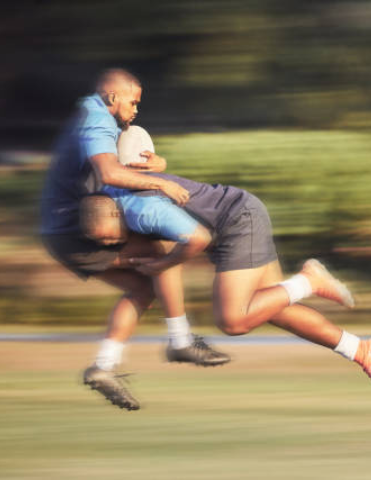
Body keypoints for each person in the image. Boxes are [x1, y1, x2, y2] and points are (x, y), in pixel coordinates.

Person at [85, 169, 371, 403]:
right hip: (240, 215)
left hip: (237, 222)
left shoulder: (138, 210)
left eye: (109, 235)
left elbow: (198, 238)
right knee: (271, 308)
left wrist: (163, 265)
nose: (112, 243)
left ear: (113, 211)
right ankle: (361, 349)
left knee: (232, 320)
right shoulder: (115, 188)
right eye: (105, 243)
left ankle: (309, 280)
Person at [41, 69, 230, 411]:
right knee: (161, 255)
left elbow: (117, 164)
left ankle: (104, 367)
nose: (136, 109)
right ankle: (181, 341)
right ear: (113, 96)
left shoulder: (93, 116)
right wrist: (162, 183)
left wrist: (158, 165)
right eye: (133, 100)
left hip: (61, 233)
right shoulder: (96, 118)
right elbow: (110, 174)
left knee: (144, 287)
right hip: (74, 230)